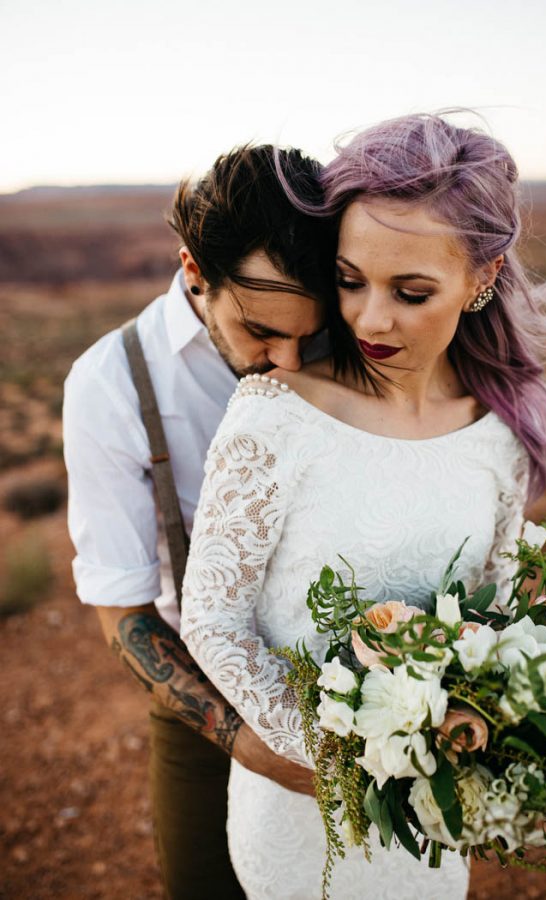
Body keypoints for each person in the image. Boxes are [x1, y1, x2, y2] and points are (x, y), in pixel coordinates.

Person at [180, 113, 546, 899]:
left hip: (435, 830)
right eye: (349, 280)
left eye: (411, 292)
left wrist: (491, 735)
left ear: (482, 278)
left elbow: (497, 612)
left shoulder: (498, 440)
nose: (371, 319)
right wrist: (353, 754)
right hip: (305, 824)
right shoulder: (274, 415)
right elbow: (212, 619)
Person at [63, 144, 341, 899]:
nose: (285, 361)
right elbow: (122, 610)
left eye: (305, 335)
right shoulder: (111, 383)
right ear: (194, 271)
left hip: (364, 688)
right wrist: (250, 746)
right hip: (208, 716)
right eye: (260, 331)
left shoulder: (351, 334)